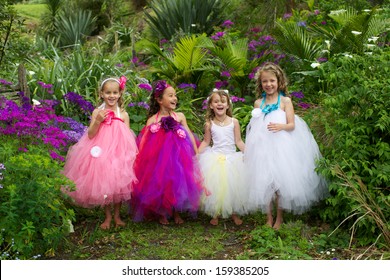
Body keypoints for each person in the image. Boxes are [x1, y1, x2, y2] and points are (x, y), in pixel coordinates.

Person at [245, 62, 328, 230]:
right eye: (265, 82)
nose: (268, 84)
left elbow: (291, 124)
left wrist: (280, 126)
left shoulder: (285, 101)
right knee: (264, 181)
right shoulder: (258, 103)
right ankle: (268, 218)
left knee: (280, 182)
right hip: (263, 146)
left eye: (272, 81)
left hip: (281, 146)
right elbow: (254, 126)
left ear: (279, 81)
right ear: (260, 84)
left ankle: (279, 218)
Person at [63, 76, 138, 230]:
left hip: (118, 153)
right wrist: (97, 121)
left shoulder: (123, 114)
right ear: (102, 94)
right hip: (101, 152)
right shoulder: (98, 111)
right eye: (108, 93)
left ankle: (117, 216)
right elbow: (90, 134)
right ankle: (108, 216)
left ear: (119, 94)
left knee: (118, 184)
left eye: (115, 92)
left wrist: (130, 153)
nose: (112, 96)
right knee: (104, 183)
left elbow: (129, 135)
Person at [131, 80, 205, 225]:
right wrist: (140, 156)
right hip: (159, 158)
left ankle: (176, 211)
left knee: (177, 181)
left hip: (178, 156)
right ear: (159, 100)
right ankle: (162, 212)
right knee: (161, 181)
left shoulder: (180, 116)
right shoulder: (153, 119)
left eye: (175, 96)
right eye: (170, 96)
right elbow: (145, 139)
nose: (174, 98)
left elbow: (189, 134)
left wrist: (195, 152)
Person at [198, 89, 246, 226]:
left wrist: (249, 153)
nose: (220, 104)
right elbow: (206, 141)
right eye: (216, 101)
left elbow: (238, 141)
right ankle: (216, 213)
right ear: (211, 105)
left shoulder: (234, 122)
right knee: (216, 188)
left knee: (233, 188)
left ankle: (234, 213)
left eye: (223, 101)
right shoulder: (209, 124)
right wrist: (197, 153)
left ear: (228, 105)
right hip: (215, 157)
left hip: (232, 158)